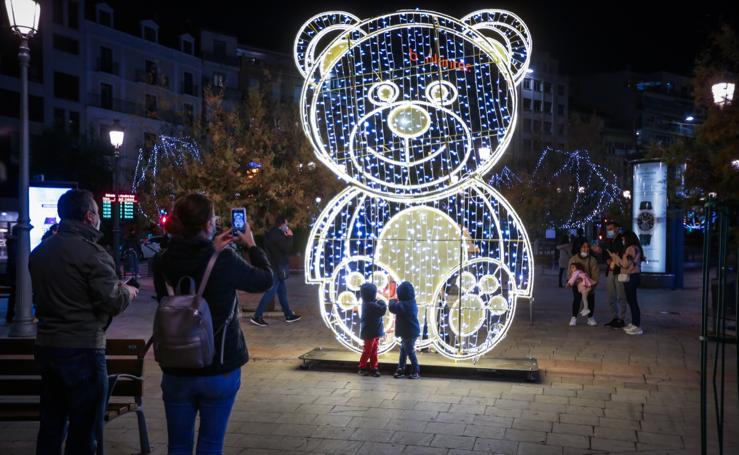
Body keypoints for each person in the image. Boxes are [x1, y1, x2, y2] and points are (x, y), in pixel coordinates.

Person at [152, 193, 273, 454]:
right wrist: (251, 245)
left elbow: (189, 262)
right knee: (210, 444)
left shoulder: (161, 261)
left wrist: (211, 248)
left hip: (175, 365)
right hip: (219, 364)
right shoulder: (223, 260)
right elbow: (264, 280)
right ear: (208, 224)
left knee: (178, 445)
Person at [30, 189, 139, 455]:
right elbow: (112, 301)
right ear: (90, 217)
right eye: (98, 213)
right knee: (84, 429)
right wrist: (128, 292)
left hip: (47, 347)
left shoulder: (41, 252)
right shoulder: (94, 255)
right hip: (83, 348)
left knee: (52, 425)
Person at [250, 215, 301, 326]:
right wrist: (290, 236)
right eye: (286, 225)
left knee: (282, 291)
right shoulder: (277, 235)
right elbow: (287, 248)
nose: (287, 227)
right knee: (270, 291)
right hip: (277, 267)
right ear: (282, 224)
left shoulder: (272, 233)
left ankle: (288, 314)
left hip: (275, 265)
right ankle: (257, 316)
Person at [609, 231, 644, 336]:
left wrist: (615, 258)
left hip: (631, 277)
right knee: (631, 301)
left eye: (624, 239)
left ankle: (636, 325)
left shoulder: (630, 249)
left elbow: (625, 264)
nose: (623, 241)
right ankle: (634, 323)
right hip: (633, 276)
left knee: (632, 301)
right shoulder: (636, 248)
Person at [389, 281, 421, 379]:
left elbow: (392, 308)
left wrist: (392, 299)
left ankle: (415, 370)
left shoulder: (403, 304)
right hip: (410, 332)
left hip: (408, 333)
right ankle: (401, 369)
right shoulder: (412, 302)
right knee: (404, 351)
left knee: (409, 351)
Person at [600, 221, 626, 328]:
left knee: (621, 295)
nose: (609, 231)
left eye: (611, 229)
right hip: (610, 271)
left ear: (617, 229)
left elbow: (620, 254)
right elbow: (605, 254)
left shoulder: (621, 240)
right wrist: (607, 259)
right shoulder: (609, 241)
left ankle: (621, 318)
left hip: (619, 271)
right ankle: (615, 317)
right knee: (611, 296)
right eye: (608, 229)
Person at [567, 241, 599, 327]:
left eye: (587, 247)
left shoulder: (592, 260)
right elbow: (569, 274)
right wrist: (574, 281)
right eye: (584, 247)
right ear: (579, 248)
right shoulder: (573, 259)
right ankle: (574, 317)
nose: (586, 249)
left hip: (589, 284)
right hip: (576, 285)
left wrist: (591, 283)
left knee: (590, 299)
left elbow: (595, 274)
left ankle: (590, 317)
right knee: (577, 299)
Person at [358, 282, 386, 377]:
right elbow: (382, 310)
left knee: (372, 350)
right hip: (371, 332)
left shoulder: (367, 303)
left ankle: (373, 367)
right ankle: (363, 367)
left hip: (372, 332)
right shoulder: (370, 304)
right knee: (369, 350)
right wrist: (381, 301)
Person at [4, 225, 17, 324]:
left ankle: (10, 316)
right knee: (14, 295)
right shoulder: (15, 243)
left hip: (13, 273)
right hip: (16, 274)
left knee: (13, 295)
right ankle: (10, 316)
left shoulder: (11, 242)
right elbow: (15, 260)